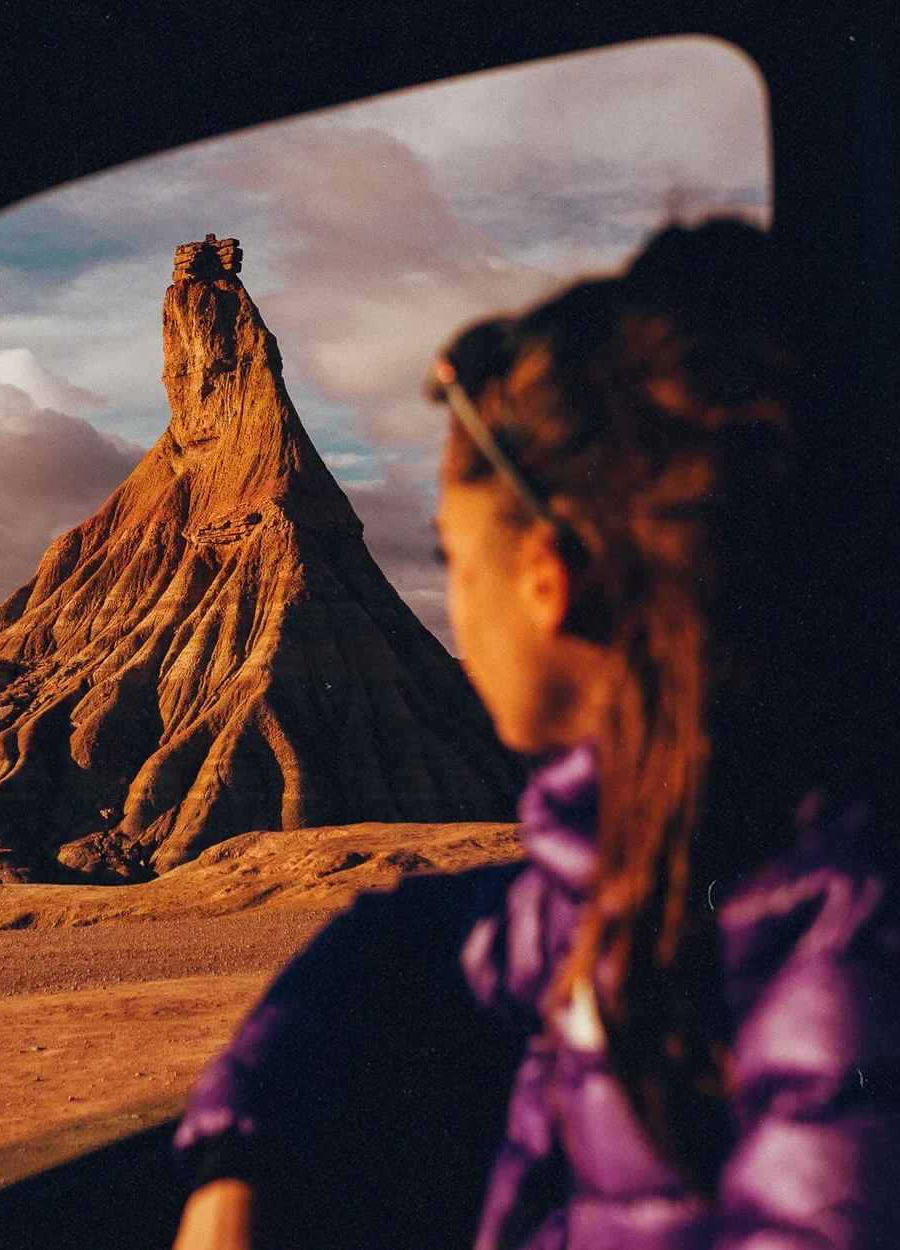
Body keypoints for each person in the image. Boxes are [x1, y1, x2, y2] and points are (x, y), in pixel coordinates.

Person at [170, 219, 900, 1249]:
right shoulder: (624, 858)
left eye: (452, 558)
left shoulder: (845, 953)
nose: (449, 605)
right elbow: (408, 940)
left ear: (548, 579)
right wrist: (236, 1155)